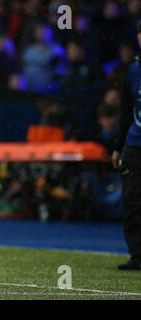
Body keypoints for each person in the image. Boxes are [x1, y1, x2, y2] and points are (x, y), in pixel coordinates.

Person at [111, 22, 141, 270]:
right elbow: (125, 112)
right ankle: (137, 255)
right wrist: (118, 147)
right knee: (132, 202)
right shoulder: (133, 70)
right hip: (134, 144)